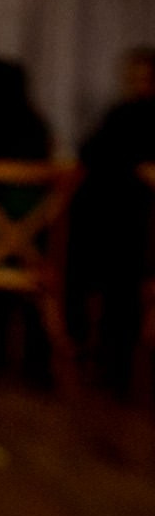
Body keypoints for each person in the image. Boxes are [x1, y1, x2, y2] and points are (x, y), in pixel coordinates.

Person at [73, 46, 155, 389]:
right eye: (131, 77)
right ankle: (98, 349)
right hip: (112, 218)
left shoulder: (134, 115)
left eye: (143, 77)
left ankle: (104, 352)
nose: (135, 84)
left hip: (131, 222)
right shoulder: (122, 113)